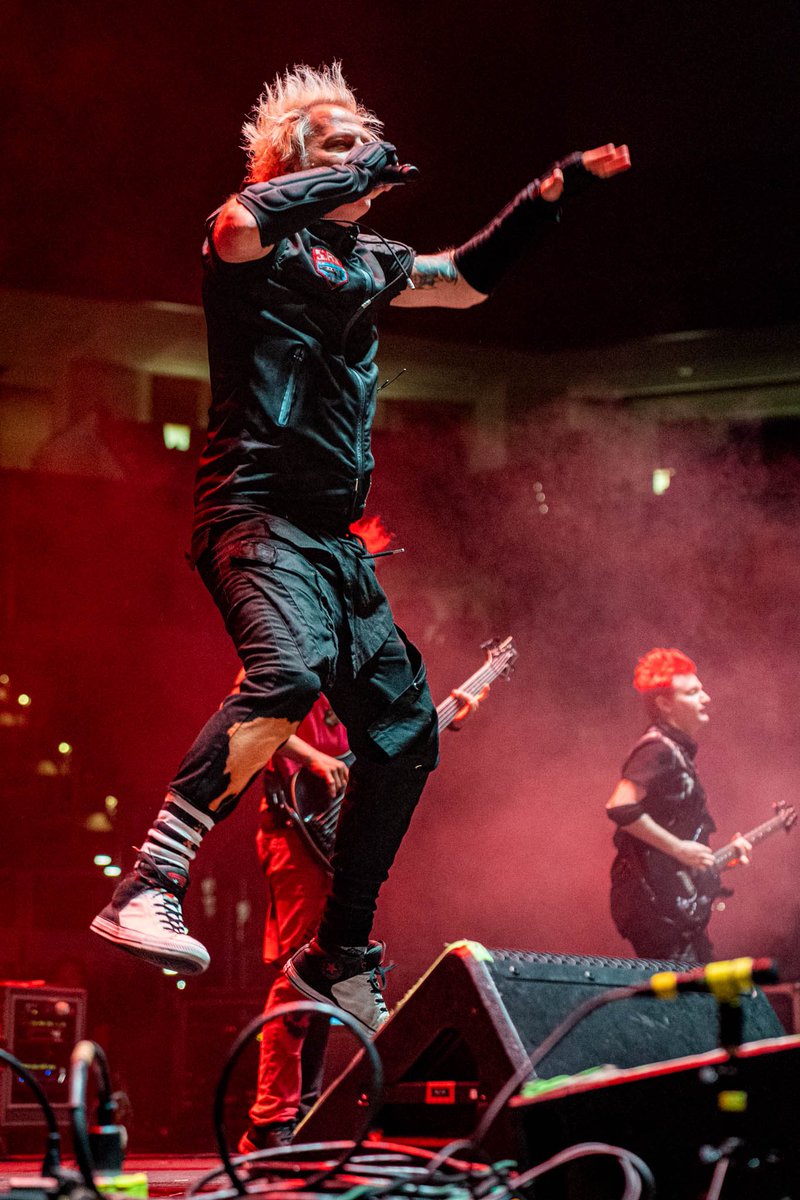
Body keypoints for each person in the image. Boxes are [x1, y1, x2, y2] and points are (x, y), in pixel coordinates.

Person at [90, 61, 630, 1033]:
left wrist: (549, 196)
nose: (365, 158)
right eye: (338, 145)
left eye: (364, 145)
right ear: (294, 165)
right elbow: (237, 221)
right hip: (255, 516)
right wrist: (349, 169)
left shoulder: (373, 260)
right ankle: (146, 884)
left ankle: (340, 952)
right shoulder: (249, 241)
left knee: (405, 733)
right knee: (287, 672)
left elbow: (463, 283)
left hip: (334, 542)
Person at [239, 682, 482, 1153]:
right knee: (301, 968)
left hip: (339, 831)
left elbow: (379, 748)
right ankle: (271, 1118)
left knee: (328, 969)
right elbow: (249, 716)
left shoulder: (363, 665)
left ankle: (301, 1112)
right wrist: (313, 757)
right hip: (296, 824)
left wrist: (436, 723)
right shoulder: (293, 639)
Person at [606, 648, 751, 961]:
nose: (706, 697)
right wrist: (680, 849)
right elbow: (620, 806)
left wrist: (716, 859)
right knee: (686, 1001)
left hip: (669, 903)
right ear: (665, 704)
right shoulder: (658, 748)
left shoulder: (675, 752)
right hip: (655, 906)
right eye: (693, 692)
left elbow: (673, 849)